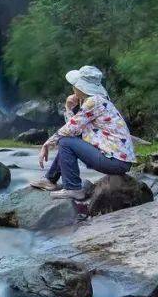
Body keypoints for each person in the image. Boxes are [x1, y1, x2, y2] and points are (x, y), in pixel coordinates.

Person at [31, 65, 136, 199]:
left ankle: (73, 188)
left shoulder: (94, 102)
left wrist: (47, 144)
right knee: (67, 141)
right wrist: (69, 108)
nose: (73, 88)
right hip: (118, 160)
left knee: (65, 142)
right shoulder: (97, 100)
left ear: (81, 87)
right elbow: (74, 130)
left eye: (74, 84)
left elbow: (69, 130)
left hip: (115, 161)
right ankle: (50, 179)